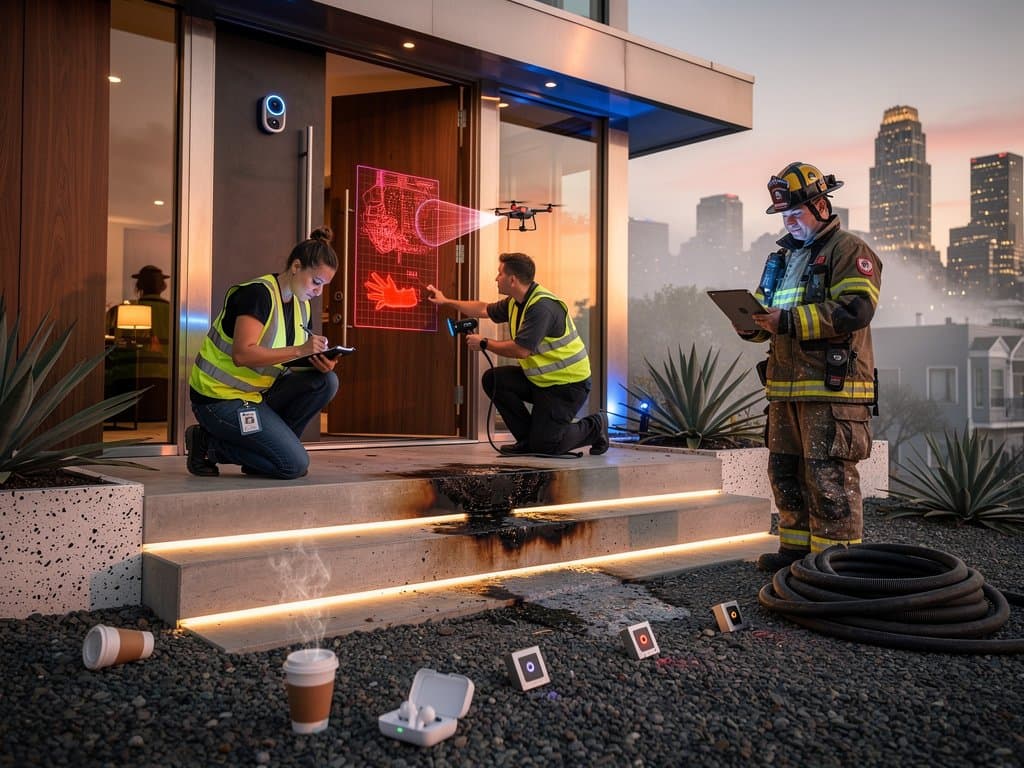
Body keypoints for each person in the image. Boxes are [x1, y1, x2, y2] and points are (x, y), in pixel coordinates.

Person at [739, 162, 882, 572]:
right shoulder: (782, 258)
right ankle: (795, 552)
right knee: (785, 474)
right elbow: (769, 317)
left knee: (828, 480)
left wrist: (785, 321)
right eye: (784, 215)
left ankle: (835, 564)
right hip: (785, 390)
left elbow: (856, 309)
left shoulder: (849, 251)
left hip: (831, 391)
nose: (790, 222)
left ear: (821, 205)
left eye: (795, 213)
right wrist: (750, 325)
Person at [185, 227, 341, 479]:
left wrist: (317, 362)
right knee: (293, 466)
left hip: (257, 395)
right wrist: (300, 349)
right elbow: (242, 355)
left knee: (325, 381)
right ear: (296, 266)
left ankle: (266, 452)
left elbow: (286, 359)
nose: (318, 292)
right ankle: (208, 444)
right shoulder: (257, 294)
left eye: (324, 285)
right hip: (219, 399)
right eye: (316, 282)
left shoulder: (302, 306)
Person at [426, 252, 608, 457]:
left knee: (546, 447)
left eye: (499, 274)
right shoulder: (515, 302)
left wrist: (484, 343)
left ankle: (595, 426)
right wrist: (446, 301)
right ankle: (527, 441)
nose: (496, 278)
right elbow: (484, 309)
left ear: (512, 280)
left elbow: (521, 350)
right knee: (494, 380)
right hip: (541, 381)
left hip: (566, 386)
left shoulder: (542, 308)